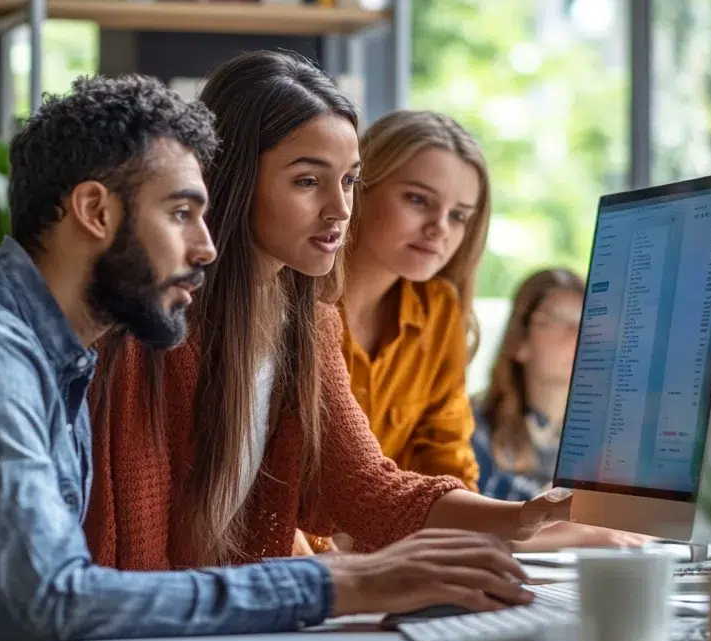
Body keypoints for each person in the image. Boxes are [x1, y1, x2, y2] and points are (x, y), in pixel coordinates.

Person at [0, 75, 533, 641]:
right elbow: (54, 600)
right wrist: (344, 583)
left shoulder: (59, 355)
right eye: (183, 212)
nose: (207, 245)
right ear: (94, 211)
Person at [86, 50, 582, 574]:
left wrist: (524, 517)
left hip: (235, 615)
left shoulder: (310, 323)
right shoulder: (147, 320)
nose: (340, 209)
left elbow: (368, 488)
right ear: (233, 176)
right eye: (307, 181)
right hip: (145, 626)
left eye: (348, 181)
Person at [339, 110, 488, 488]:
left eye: (458, 216)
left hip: (391, 543)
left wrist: (535, 525)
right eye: (418, 200)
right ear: (358, 187)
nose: (439, 228)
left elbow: (447, 466)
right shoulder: (287, 305)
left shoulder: (439, 310)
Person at [471, 267, 585, 502]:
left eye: (589, 321)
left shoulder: (605, 446)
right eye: (557, 320)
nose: (579, 334)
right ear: (520, 340)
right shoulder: (471, 427)